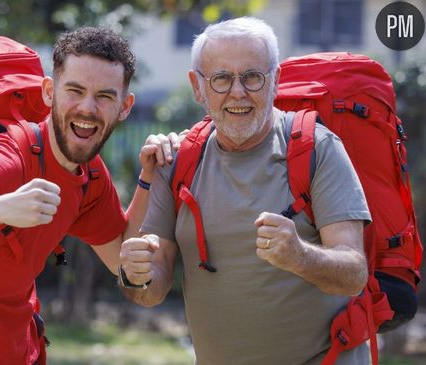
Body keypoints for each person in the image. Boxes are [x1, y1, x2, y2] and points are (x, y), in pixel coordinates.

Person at [0, 27, 179, 365]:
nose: (88, 108)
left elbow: (120, 259)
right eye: (74, 90)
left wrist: (149, 177)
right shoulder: (8, 153)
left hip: (12, 352)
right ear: (48, 92)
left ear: (125, 106)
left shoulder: (90, 176)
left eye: (104, 96)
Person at [119, 17, 371, 365]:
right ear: (197, 86)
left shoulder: (317, 149)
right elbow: (151, 291)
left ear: (275, 80)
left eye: (252, 76)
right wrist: (136, 276)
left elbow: (355, 274)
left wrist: (300, 255)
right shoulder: (177, 161)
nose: (238, 92)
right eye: (221, 78)